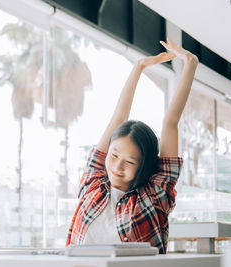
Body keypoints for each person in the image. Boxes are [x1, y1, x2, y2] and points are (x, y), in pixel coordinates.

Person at [66, 38, 199, 254]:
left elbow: (171, 121)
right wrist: (139, 67)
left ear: (144, 165)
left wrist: (190, 64)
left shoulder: (155, 195)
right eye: (114, 155)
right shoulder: (92, 183)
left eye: (130, 161)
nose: (117, 167)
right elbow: (117, 119)